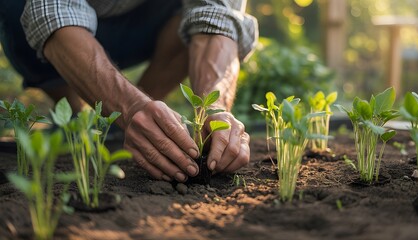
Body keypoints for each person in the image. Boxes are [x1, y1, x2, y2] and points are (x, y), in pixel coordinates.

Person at [0, 0, 258, 183]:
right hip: (52, 24)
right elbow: (51, 10)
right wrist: (130, 107)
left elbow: (217, 17)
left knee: (195, 13)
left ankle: (133, 125)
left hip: (147, 24)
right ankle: (76, 119)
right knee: (15, 6)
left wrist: (214, 106)